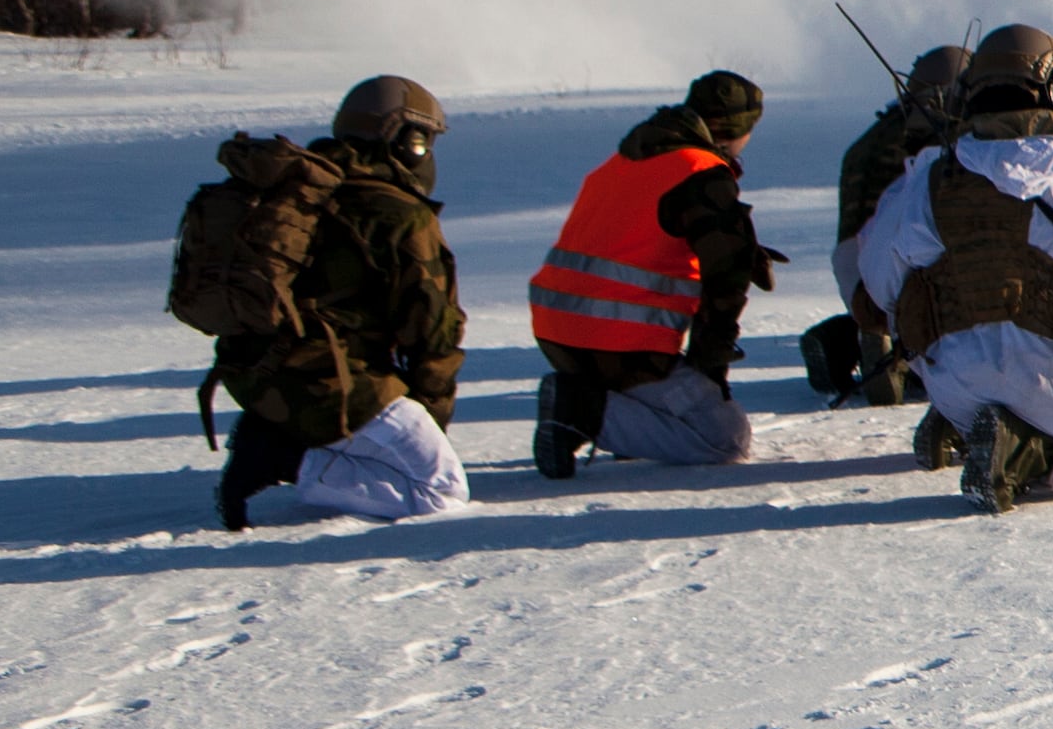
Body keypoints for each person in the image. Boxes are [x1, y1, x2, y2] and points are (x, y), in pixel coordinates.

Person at [856, 22, 1053, 511]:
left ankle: (966, 426)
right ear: (1051, 90)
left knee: (976, 368)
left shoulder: (925, 180)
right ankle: (1029, 456)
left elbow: (881, 285)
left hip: (951, 382)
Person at [202, 75, 470, 530]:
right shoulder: (399, 214)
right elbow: (434, 336)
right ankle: (284, 459)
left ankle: (276, 433)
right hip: (334, 387)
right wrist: (429, 414)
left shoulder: (294, 187)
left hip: (256, 377)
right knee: (439, 492)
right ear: (411, 143)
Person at [527, 69, 782, 476]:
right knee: (723, 437)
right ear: (738, 128)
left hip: (560, 332)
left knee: (669, 403)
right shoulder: (701, 174)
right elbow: (726, 281)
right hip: (618, 342)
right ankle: (579, 412)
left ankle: (607, 413)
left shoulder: (626, 160)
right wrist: (710, 369)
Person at [803, 43, 967, 405]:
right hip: (906, 272)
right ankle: (899, 354)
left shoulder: (868, 141)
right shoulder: (943, 137)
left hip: (856, 266)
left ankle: (849, 341)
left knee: (880, 307)